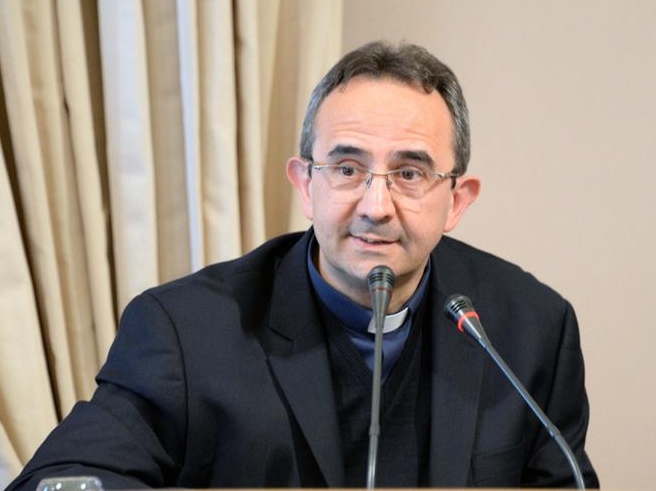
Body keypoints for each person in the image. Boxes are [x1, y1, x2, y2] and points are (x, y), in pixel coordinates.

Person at [7, 40, 599, 489]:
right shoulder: (186, 331)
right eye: (347, 169)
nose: (376, 206)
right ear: (305, 185)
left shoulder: (531, 331)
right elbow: (67, 477)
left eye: (409, 173)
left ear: (457, 200)